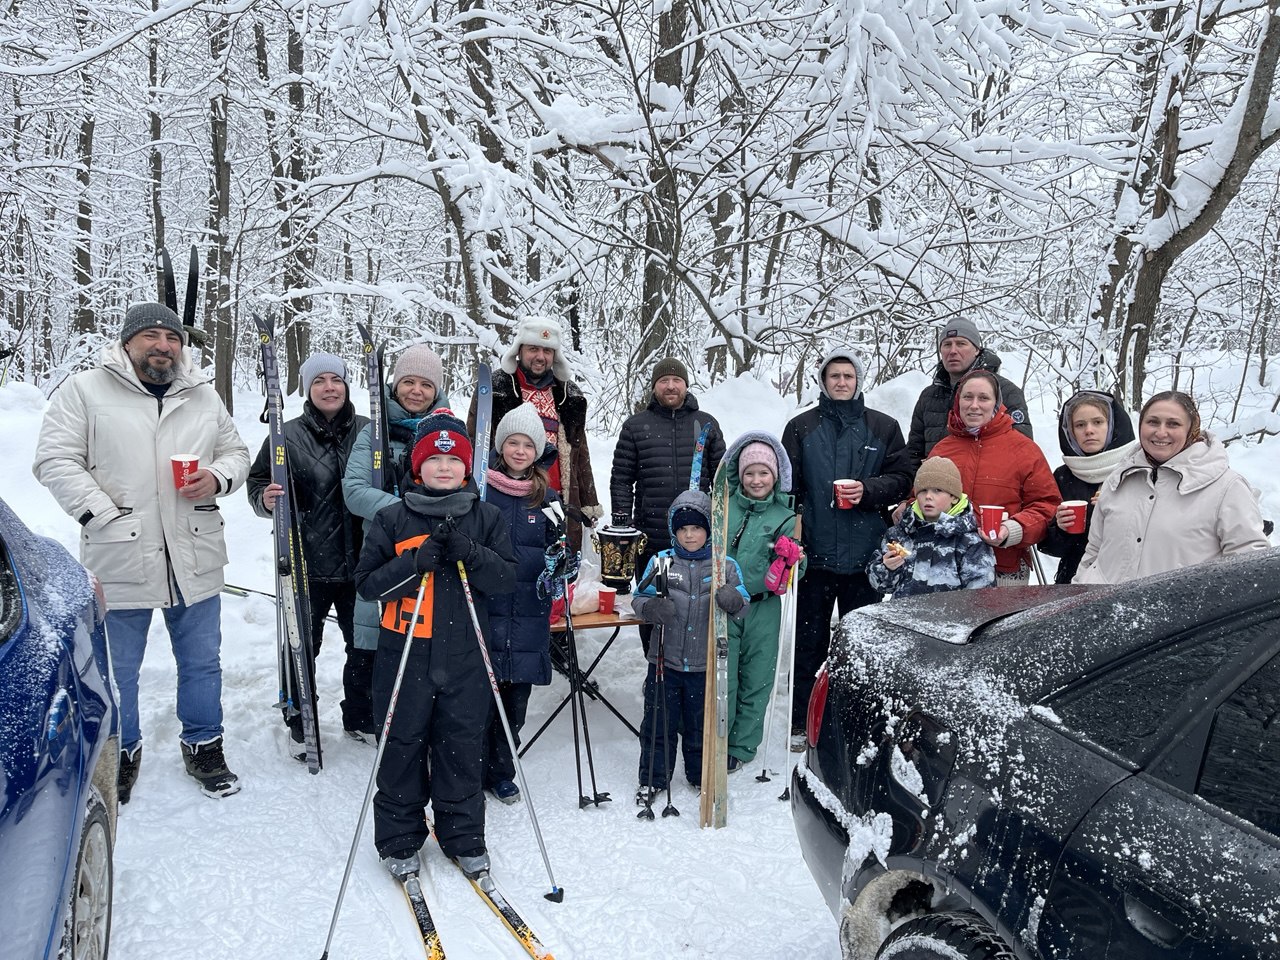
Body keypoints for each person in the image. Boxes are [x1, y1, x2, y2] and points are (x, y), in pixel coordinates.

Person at [33, 302, 250, 800]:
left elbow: (236, 452)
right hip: (120, 552)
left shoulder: (202, 394)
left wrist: (217, 476)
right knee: (117, 669)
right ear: (128, 341)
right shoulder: (85, 390)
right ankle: (122, 750)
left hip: (194, 550)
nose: (163, 346)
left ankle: (204, 744)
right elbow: (54, 459)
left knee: (202, 661)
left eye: (172, 338)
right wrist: (101, 514)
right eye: (151, 335)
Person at [352, 408, 516, 881]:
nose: (444, 468)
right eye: (433, 459)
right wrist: (412, 564)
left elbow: (505, 580)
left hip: (465, 656)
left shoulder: (485, 517)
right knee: (401, 744)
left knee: (462, 745)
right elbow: (367, 585)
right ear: (417, 466)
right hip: (405, 654)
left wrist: (472, 554)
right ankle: (399, 838)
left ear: (466, 467)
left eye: (453, 460)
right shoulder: (391, 518)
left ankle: (462, 835)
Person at [781, 348, 913, 749]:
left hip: (865, 559)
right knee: (809, 644)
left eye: (848, 376)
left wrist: (868, 490)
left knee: (862, 647)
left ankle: (857, 721)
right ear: (823, 382)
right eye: (834, 376)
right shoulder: (801, 427)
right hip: (815, 557)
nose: (841, 382)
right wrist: (791, 538)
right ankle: (803, 721)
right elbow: (788, 487)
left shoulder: (883, 427)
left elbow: (903, 478)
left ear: (858, 381)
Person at [247, 352, 375, 747]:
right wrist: (264, 499)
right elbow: (257, 482)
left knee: (364, 646)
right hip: (305, 561)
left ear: (346, 385)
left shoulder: (369, 431)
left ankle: (361, 715)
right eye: (319, 381)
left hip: (363, 560)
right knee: (301, 645)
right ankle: (301, 718)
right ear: (307, 388)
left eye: (335, 380)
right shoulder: (285, 436)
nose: (329, 388)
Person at [1073, 391, 1269, 584]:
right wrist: (1081, 589)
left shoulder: (1227, 487)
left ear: (1192, 429)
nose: (1160, 432)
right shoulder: (1119, 478)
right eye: (1153, 422)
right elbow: (1094, 551)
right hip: (1106, 603)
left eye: (1173, 424)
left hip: (1182, 605)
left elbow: (1250, 569)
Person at [631, 490, 749, 803]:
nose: (689, 535)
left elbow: (743, 605)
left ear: (709, 529)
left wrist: (733, 600)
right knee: (658, 724)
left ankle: (700, 776)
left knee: (700, 725)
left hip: (705, 663)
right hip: (664, 661)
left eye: (696, 528)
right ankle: (653, 778)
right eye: (683, 529)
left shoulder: (724, 565)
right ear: (674, 531)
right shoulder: (662, 562)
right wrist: (651, 608)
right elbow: (638, 599)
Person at [610, 356, 725, 651]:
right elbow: (622, 479)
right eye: (664, 381)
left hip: (698, 544)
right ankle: (656, 668)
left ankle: (693, 670)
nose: (671, 386)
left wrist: (720, 527)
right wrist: (623, 527)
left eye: (676, 380)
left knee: (696, 610)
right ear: (654, 386)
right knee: (656, 607)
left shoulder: (706, 424)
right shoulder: (636, 426)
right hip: (655, 543)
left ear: (686, 385)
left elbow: (724, 481)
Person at [342, 344, 451, 655]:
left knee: (427, 657)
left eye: (426, 384)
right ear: (395, 385)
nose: (416, 391)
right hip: (381, 557)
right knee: (371, 659)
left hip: (434, 558)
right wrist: (407, 512)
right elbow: (355, 491)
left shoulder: (448, 435)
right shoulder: (372, 433)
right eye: (408, 382)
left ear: (436, 391)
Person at [480, 403, 559, 804]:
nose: (520, 451)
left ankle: (501, 771)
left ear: (538, 451)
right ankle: (469, 769)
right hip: (487, 610)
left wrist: (562, 564)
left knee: (515, 703)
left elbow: (558, 548)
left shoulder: (548, 498)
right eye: (513, 442)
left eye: (528, 445)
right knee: (479, 697)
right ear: (500, 445)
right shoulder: (480, 490)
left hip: (528, 613)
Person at [469, 315, 602, 551]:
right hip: (508, 499)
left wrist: (588, 503)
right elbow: (474, 442)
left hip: (558, 501)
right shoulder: (496, 388)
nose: (540, 356)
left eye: (547, 351)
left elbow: (580, 454)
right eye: (533, 349)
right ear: (519, 350)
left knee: (558, 564)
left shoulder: (569, 395)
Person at [719, 433, 806, 772]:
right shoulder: (723, 509)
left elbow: (798, 569)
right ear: (739, 475)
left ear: (775, 476)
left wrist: (792, 560)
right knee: (725, 676)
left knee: (757, 678)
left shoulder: (785, 516)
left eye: (764, 473)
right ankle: (718, 738)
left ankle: (741, 746)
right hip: (725, 604)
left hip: (764, 607)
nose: (757, 480)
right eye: (750, 473)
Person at [927, 370, 1060, 584]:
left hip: (1003, 568)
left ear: (997, 404)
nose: (974, 405)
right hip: (946, 568)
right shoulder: (942, 450)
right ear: (958, 401)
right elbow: (920, 499)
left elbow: (1047, 506)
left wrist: (1013, 529)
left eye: (983, 398)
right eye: (967, 397)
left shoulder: (1024, 449)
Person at [1038, 390, 1137, 583]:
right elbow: (1050, 547)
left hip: (1126, 581)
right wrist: (1061, 529)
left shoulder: (1135, 469)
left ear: (1112, 425)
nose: (1089, 430)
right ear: (1070, 432)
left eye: (1097, 422)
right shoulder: (1063, 475)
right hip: (1075, 580)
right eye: (1080, 425)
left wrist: (1119, 507)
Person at [907, 318, 1032, 465]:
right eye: (947, 344)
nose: (953, 351)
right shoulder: (929, 396)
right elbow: (913, 454)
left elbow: (1023, 452)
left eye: (961, 344)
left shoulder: (1006, 392)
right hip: (935, 479)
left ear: (977, 350)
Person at [867, 456, 995, 597]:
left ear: (954, 497)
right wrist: (886, 568)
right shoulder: (898, 534)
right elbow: (882, 586)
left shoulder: (970, 541)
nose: (928, 496)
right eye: (923, 490)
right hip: (904, 611)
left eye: (937, 490)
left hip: (949, 611)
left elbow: (980, 596)